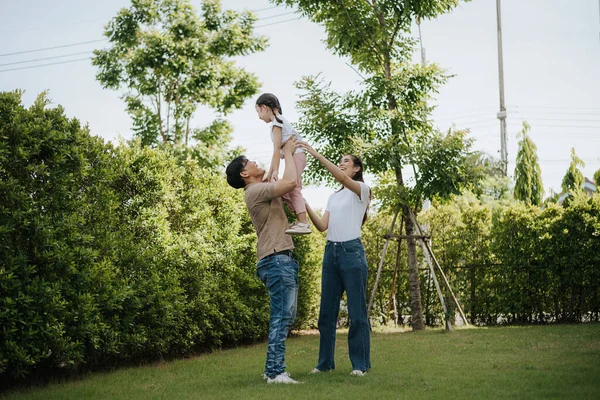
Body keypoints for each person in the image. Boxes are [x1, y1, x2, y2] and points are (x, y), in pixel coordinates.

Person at [225, 137, 301, 384]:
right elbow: (289, 181)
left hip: (278, 258)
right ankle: (275, 373)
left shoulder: (260, 186)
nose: (255, 162)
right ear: (245, 173)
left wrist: (276, 148)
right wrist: (288, 152)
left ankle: (274, 369)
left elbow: (272, 171)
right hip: (276, 258)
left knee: (284, 315)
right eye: (250, 161)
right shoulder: (256, 191)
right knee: (281, 316)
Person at [298, 141, 372, 376]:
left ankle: (360, 365)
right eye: (340, 161)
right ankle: (324, 363)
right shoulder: (333, 197)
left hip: (352, 253)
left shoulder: (363, 190)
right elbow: (321, 226)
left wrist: (315, 153)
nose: (341, 164)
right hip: (331, 253)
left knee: (357, 312)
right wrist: (303, 202)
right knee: (326, 313)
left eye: (346, 162)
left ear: (357, 169)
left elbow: (341, 179)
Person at [255, 93, 311, 235]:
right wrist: (272, 172)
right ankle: (300, 218)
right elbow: (277, 151)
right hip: (294, 157)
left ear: (264, 108)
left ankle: (303, 222)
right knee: (286, 191)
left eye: (258, 112)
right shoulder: (278, 122)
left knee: (293, 187)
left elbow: (276, 150)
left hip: (296, 155)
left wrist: (273, 172)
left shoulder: (277, 123)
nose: (258, 117)